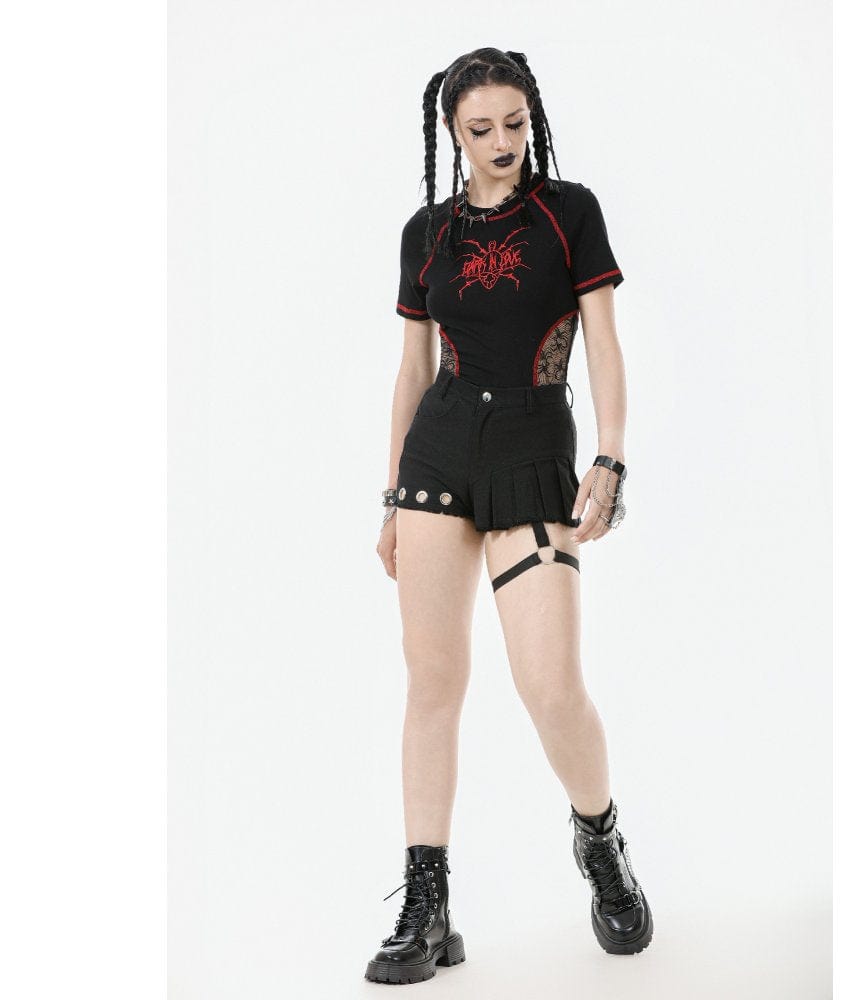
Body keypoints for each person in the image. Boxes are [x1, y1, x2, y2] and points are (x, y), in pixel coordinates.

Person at [365, 47, 652, 985]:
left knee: (550, 686)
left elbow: (602, 343)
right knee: (432, 684)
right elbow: (412, 368)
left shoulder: (570, 214)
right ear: (453, 133)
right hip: (438, 456)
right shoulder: (426, 233)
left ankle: (599, 839)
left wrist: (610, 454)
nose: (502, 143)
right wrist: (391, 497)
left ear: (534, 120)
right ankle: (428, 905)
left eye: (515, 125)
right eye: (481, 129)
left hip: (533, 454)